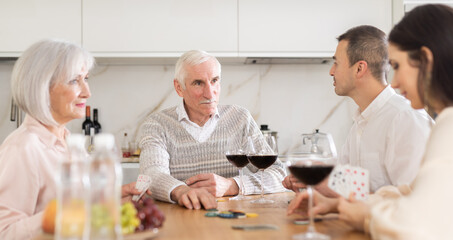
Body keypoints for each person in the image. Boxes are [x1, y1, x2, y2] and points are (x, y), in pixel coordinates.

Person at [288, 4, 453, 239]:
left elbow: (416, 218)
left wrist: (362, 214)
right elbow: (408, 190)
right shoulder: (361, 120)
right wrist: (333, 200)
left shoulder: (410, 118)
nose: (393, 83)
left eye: (396, 66)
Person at [0, 39, 148, 239]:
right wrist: (72, 209)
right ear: (42, 87)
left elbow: (81, 205)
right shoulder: (23, 148)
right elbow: (6, 231)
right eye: (74, 81)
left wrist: (111, 196)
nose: (87, 92)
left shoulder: (67, 141)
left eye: (85, 78)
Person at [283, 25, 432, 195]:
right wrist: (313, 184)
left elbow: (415, 198)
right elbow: (356, 187)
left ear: (359, 69)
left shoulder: (405, 118)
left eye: (336, 63)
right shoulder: (361, 122)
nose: (331, 71)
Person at [138, 50, 286, 209]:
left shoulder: (239, 118)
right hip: (180, 219)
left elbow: (279, 174)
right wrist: (181, 191)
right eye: (198, 83)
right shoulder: (157, 124)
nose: (210, 93)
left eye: (214, 80)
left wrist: (231, 185)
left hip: (230, 219)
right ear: (179, 87)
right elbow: (151, 175)